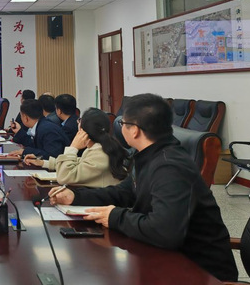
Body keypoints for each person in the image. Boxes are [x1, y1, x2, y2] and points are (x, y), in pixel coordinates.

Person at [49, 93, 237, 282]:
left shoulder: (170, 167)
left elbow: (164, 231)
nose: (120, 128)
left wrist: (114, 216)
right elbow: (124, 192)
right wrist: (76, 196)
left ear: (135, 131)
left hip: (200, 272)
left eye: (123, 123)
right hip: (166, 257)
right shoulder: (149, 155)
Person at [23, 108, 127, 187]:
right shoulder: (97, 148)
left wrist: (73, 147)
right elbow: (78, 163)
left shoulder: (99, 154)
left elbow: (65, 177)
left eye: (79, 121)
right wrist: (43, 162)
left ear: (82, 129)